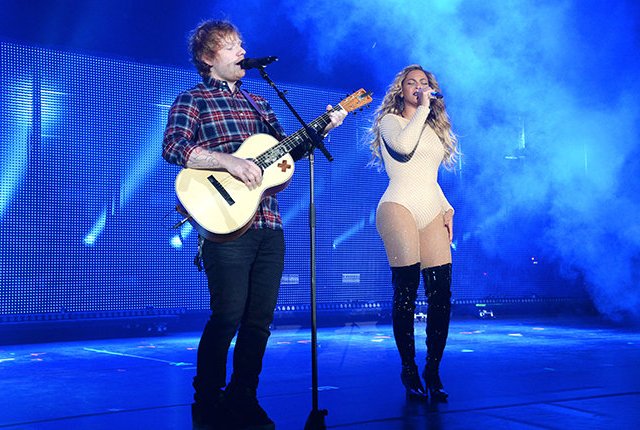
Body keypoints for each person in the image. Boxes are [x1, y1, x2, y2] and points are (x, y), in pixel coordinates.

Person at [162, 20, 346, 430]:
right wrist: (227, 160)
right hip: (223, 223)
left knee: (259, 320)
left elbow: (286, 153)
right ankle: (207, 398)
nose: (242, 52)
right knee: (227, 315)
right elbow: (174, 147)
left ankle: (244, 394)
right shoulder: (193, 99)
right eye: (231, 47)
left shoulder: (260, 102)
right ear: (208, 58)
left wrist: (323, 129)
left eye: (242, 44)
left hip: (268, 221)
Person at [369, 64, 459, 401]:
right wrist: (422, 109)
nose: (419, 87)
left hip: (430, 208)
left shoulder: (433, 129)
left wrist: (447, 207)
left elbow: (428, 176)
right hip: (398, 207)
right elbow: (405, 149)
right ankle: (408, 368)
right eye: (412, 83)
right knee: (406, 291)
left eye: (424, 83)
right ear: (401, 90)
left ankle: (432, 370)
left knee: (441, 295)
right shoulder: (390, 122)